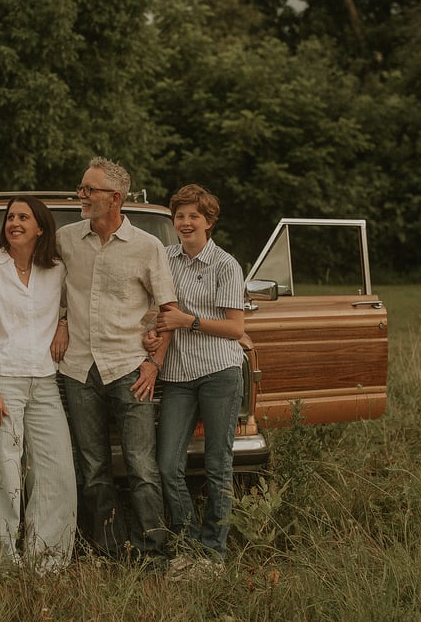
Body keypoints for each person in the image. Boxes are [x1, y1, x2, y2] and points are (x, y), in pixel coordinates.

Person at [56, 156, 178, 565]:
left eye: (89, 190)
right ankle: (108, 550)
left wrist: (153, 363)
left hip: (130, 368)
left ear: (115, 198)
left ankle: (153, 553)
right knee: (92, 469)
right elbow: (52, 292)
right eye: (82, 188)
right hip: (77, 369)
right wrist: (60, 323)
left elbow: (167, 312)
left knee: (143, 467)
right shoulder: (66, 239)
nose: (81, 195)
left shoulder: (148, 246)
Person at [0, 196, 77, 572]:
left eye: (23, 217)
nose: (14, 222)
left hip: (45, 382)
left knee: (56, 473)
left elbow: (70, 304)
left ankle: (46, 562)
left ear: (40, 228)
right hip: (2, 379)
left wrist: (62, 323)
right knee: (1, 473)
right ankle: (3, 565)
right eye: (10, 217)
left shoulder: (56, 269)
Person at [152, 184, 245, 570]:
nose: (186, 223)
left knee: (217, 463)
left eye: (194, 216)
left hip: (219, 371)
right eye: (180, 216)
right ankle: (188, 544)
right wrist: (153, 329)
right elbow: (156, 310)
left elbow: (236, 328)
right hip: (176, 374)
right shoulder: (166, 258)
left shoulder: (225, 265)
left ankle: (213, 552)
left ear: (209, 221)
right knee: (167, 463)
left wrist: (186, 320)